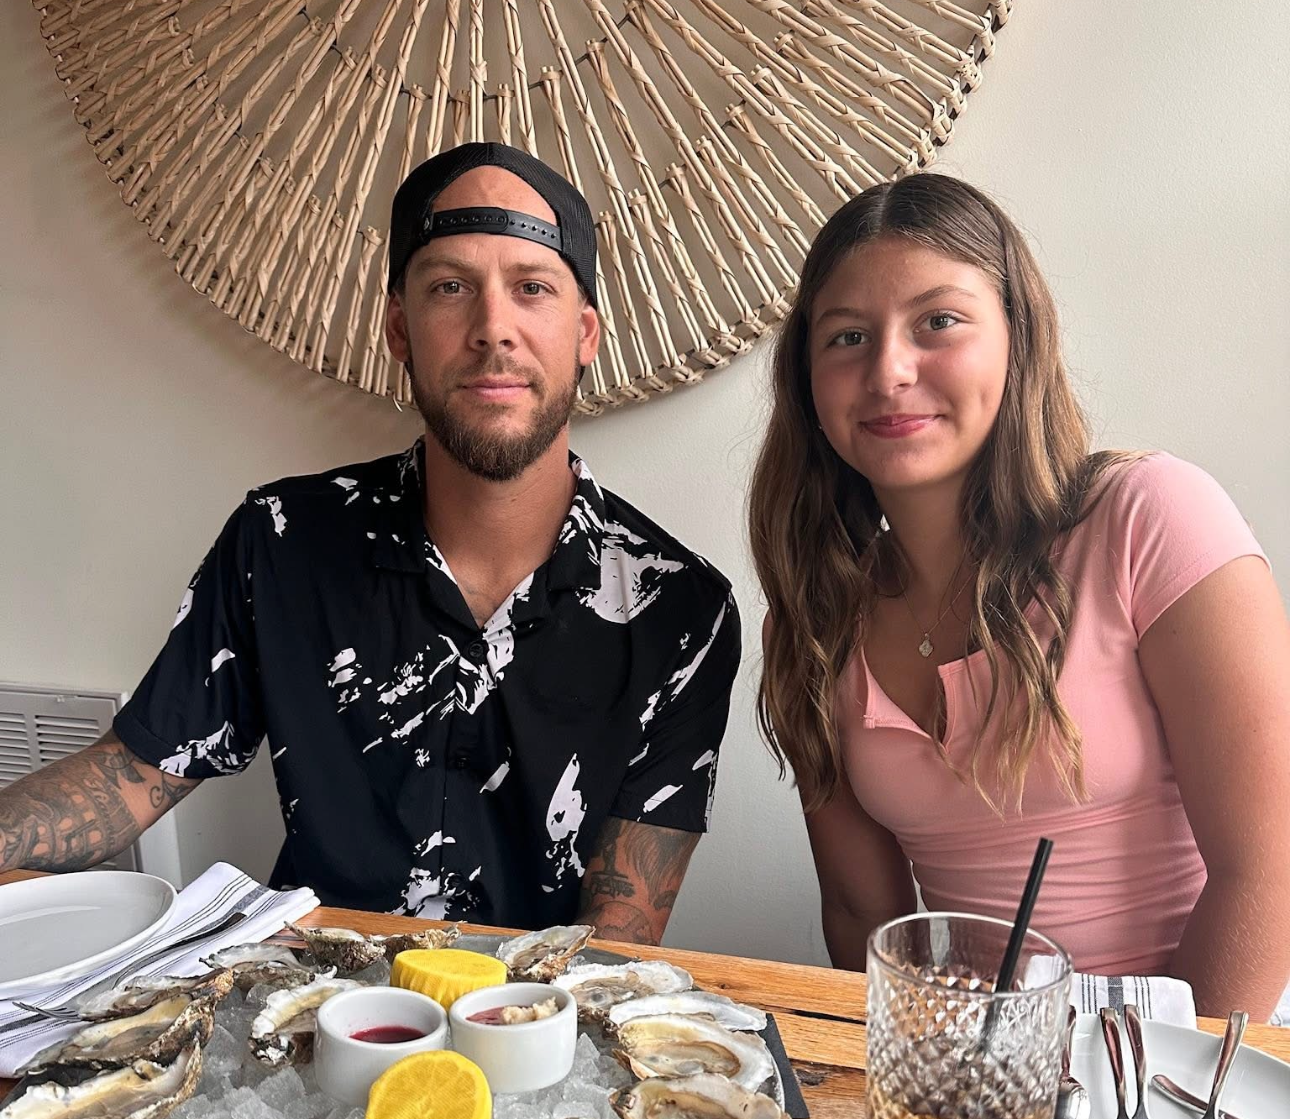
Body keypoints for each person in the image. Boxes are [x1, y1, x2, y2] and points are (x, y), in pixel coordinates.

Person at [0, 145, 741, 947]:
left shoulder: (679, 609)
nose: (494, 329)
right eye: (450, 287)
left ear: (585, 333)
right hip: (303, 996)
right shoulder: (281, 542)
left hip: (536, 1010)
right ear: (399, 328)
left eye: (532, 288)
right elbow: (131, 775)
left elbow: (620, 931)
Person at [748, 173, 1290, 1019]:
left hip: (1209, 1044)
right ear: (808, 382)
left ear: (1019, 339)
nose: (888, 371)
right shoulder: (815, 616)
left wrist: (1164, 1081)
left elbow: (1269, 873)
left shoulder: (1150, 516)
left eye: (938, 321)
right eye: (847, 337)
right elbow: (862, 916)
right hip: (981, 1055)